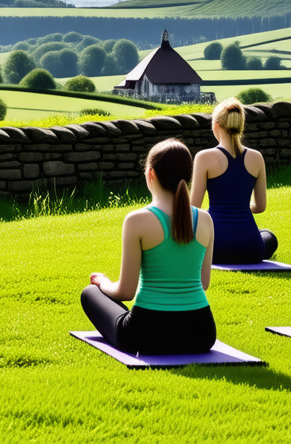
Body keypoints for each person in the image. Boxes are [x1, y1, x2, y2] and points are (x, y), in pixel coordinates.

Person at [82, 139, 216, 355]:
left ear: (151, 174)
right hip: (201, 333)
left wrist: (103, 283)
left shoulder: (137, 220)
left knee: (90, 293)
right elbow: (203, 283)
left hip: (148, 334)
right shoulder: (205, 219)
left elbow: (125, 292)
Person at [191, 98, 277, 263]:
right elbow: (260, 207)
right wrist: (237, 208)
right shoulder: (256, 158)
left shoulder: (204, 157)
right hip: (251, 248)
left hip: (215, 247)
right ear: (240, 125)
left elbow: (193, 208)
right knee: (268, 236)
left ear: (216, 125)